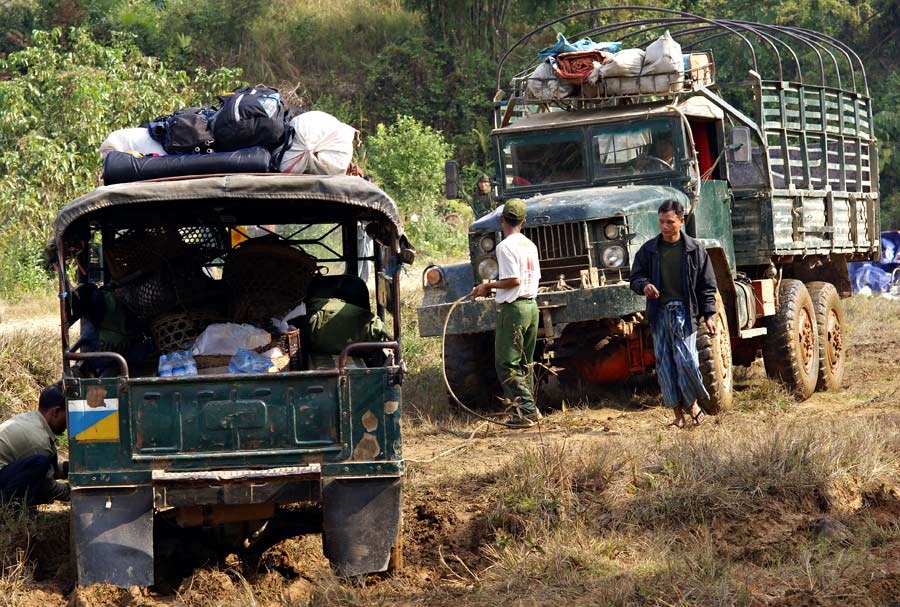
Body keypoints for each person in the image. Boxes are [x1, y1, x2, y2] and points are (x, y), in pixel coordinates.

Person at [629, 200, 718, 428]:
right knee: (666, 365)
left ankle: (693, 405)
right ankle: (678, 416)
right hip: (659, 315)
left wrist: (709, 315)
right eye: (661, 221)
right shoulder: (649, 250)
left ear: (681, 221)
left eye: (670, 222)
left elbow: (707, 286)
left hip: (685, 314)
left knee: (687, 361)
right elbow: (635, 277)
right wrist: (645, 285)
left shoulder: (695, 250)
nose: (664, 226)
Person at [472, 198, 542, 425]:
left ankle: (527, 411)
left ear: (502, 219)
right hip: (532, 306)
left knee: (506, 363)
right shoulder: (530, 245)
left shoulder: (505, 246)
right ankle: (526, 410)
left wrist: (487, 286)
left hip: (514, 309)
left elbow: (513, 280)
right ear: (523, 221)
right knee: (524, 362)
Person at [0, 383, 70, 508]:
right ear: (56, 412)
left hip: (5, 471)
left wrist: (68, 469)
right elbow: (48, 488)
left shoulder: (32, 420)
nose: (68, 423)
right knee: (39, 463)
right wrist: (77, 491)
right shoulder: (38, 440)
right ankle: (13, 510)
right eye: (68, 416)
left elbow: (49, 468)